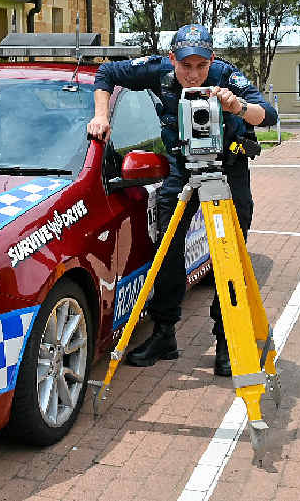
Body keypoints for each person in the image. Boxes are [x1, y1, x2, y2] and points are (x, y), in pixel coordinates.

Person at [87, 24, 279, 376]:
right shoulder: (157, 70)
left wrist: (236, 106)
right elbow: (106, 74)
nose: (193, 75)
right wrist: (101, 115)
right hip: (182, 166)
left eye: (201, 66)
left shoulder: (225, 76)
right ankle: (164, 334)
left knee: (229, 255)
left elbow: (268, 115)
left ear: (212, 60)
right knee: (167, 249)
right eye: (186, 65)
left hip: (228, 169)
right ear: (171, 58)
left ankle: (227, 340)